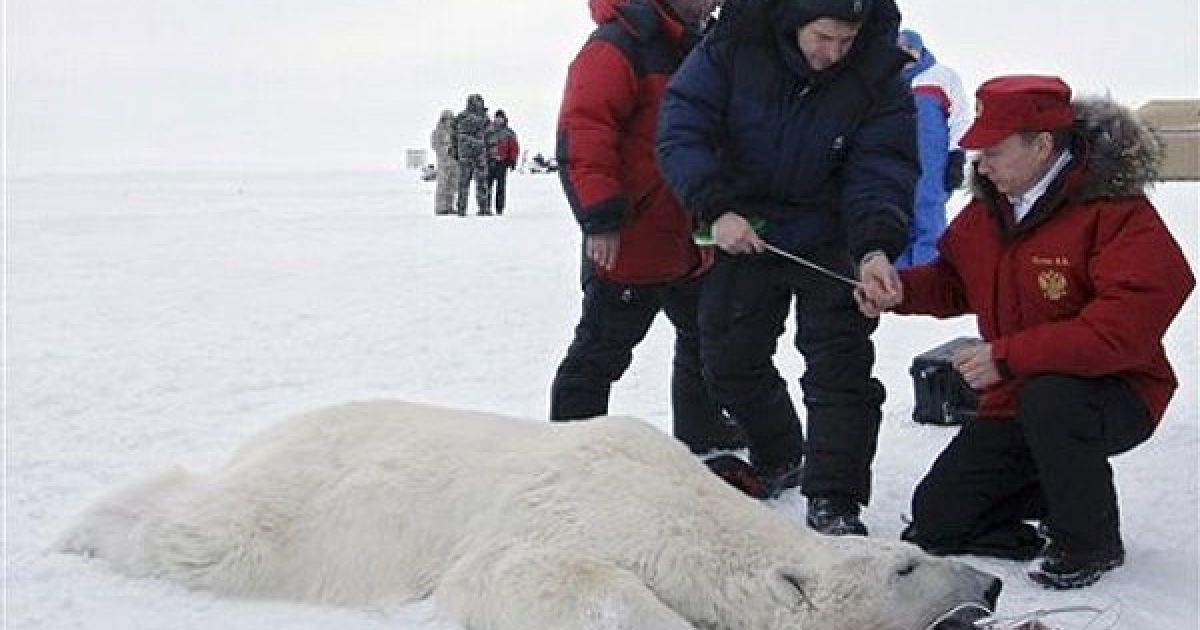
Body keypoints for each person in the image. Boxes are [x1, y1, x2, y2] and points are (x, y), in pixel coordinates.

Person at [858, 75, 1195, 589]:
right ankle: (1053, 487)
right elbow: (953, 281)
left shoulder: (1115, 211)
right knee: (937, 521)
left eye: (994, 151)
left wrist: (1007, 356)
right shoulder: (991, 206)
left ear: (1042, 146)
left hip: (1116, 392)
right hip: (1019, 391)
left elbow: (1123, 328)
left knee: (1053, 399)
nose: (982, 165)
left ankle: (1089, 543)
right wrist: (899, 291)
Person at [656, 0, 918, 533]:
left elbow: (882, 166)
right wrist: (716, 206)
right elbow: (683, 126)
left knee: (840, 369)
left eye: (847, 40)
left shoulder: (875, 69)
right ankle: (779, 451)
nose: (834, 54)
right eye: (824, 37)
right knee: (726, 354)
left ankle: (835, 499)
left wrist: (873, 246)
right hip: (748, 227)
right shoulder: (734, 45)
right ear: (795, 20)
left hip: (834, 230)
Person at [551, 0, 746, 468]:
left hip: (690, 234)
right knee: (600, 351)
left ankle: (702, 429)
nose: (715, 2)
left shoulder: (702, 45)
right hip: (631, 235)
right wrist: (599, 216)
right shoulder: (617, 45)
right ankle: (569, 453)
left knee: (702, 339)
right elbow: (583, 132)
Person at [894, 28, 971, 268]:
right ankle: (896, 281)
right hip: (894, 161)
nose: (906, 56)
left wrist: (957, 155)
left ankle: (928, 275)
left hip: (932, 163)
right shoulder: (883, 81)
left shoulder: (941, 76)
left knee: (928, 217)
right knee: (894, 217)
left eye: (910, 50)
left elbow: (959, 117)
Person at [453, 94, 492, 216]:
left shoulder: (463, 117)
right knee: (464, 184)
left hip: (477, 155)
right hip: (468, 155)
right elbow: (454, 137)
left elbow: (489, 136)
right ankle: (463, 209)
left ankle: (483, 208)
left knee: (480, 183)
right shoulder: (466, 118)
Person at [485, 109, 521, 215]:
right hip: (489, 162)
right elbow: (483, 145)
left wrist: (513, 160)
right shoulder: (488, 131)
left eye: (500, 118)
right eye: (497, 117)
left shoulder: (509, 132)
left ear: (504, 119)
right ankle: (486, 207)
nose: (498, 120)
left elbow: (514, 148)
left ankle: (499, 208)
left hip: (502, 163)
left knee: (501, 187)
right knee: (487, 185)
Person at [430, 109, 460, 215]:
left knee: (453, 186)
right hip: (443, 163)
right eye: (447, 119)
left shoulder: (456, 132)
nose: (449, 121)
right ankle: (440, 208)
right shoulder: (437, 132)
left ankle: (450, 206)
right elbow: (435, 145)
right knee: (442, 186)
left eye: (451, 119)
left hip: (455, 163)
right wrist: (446, 150)